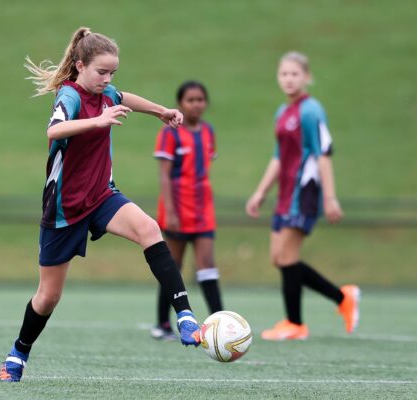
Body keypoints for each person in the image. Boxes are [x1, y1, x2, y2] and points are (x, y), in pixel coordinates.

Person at [0, 27, 201, 382]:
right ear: (80, 65)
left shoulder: (105, 91)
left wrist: (160, 111)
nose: (107, 80)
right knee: (48, 297)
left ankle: (184, 315)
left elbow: (124, 96)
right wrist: (98, 121)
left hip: (102, 196)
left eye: (112, 73)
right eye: (101, 72)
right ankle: (18, 354)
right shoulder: (70, 95)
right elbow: (54, 130)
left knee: (149, 229)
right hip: (64, 208)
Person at [245, 51, 360, 341]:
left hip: (304, 193)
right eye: (284, 73)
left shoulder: (311, 111)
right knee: (279, 258)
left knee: (286, 257)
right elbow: (278, 157)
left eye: (295, 74)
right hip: (285, 194)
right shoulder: (282, 113)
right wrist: (260, 192)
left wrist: (330, 197)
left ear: (306, 77)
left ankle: (296, 324)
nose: (289, 79)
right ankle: (341, 297)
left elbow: (323, 154)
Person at [151, 81, 223, 341]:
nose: (196, 104)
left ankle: (219, 323)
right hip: (177, 209)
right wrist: (169, 211)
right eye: (190, 100)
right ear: (181, 103)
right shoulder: (170, 133)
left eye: (200, 99)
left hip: (203, 209)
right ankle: (162, 323)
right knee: (173, 266)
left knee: (207, 265)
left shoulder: (208, 132)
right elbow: (164, 176)